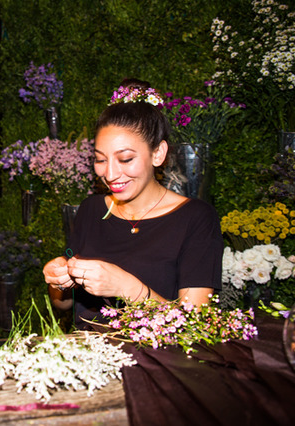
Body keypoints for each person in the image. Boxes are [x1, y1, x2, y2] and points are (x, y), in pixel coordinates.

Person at [43, 82, 223, 329]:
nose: (110, 173)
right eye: (100, 160)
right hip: (85, 359)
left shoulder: (195, 218)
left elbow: (195, 324)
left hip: (156, 361)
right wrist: (58, 281)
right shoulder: (91, 210)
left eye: (125, 159)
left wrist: (127, 288)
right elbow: (62, 305)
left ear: (158, 154)